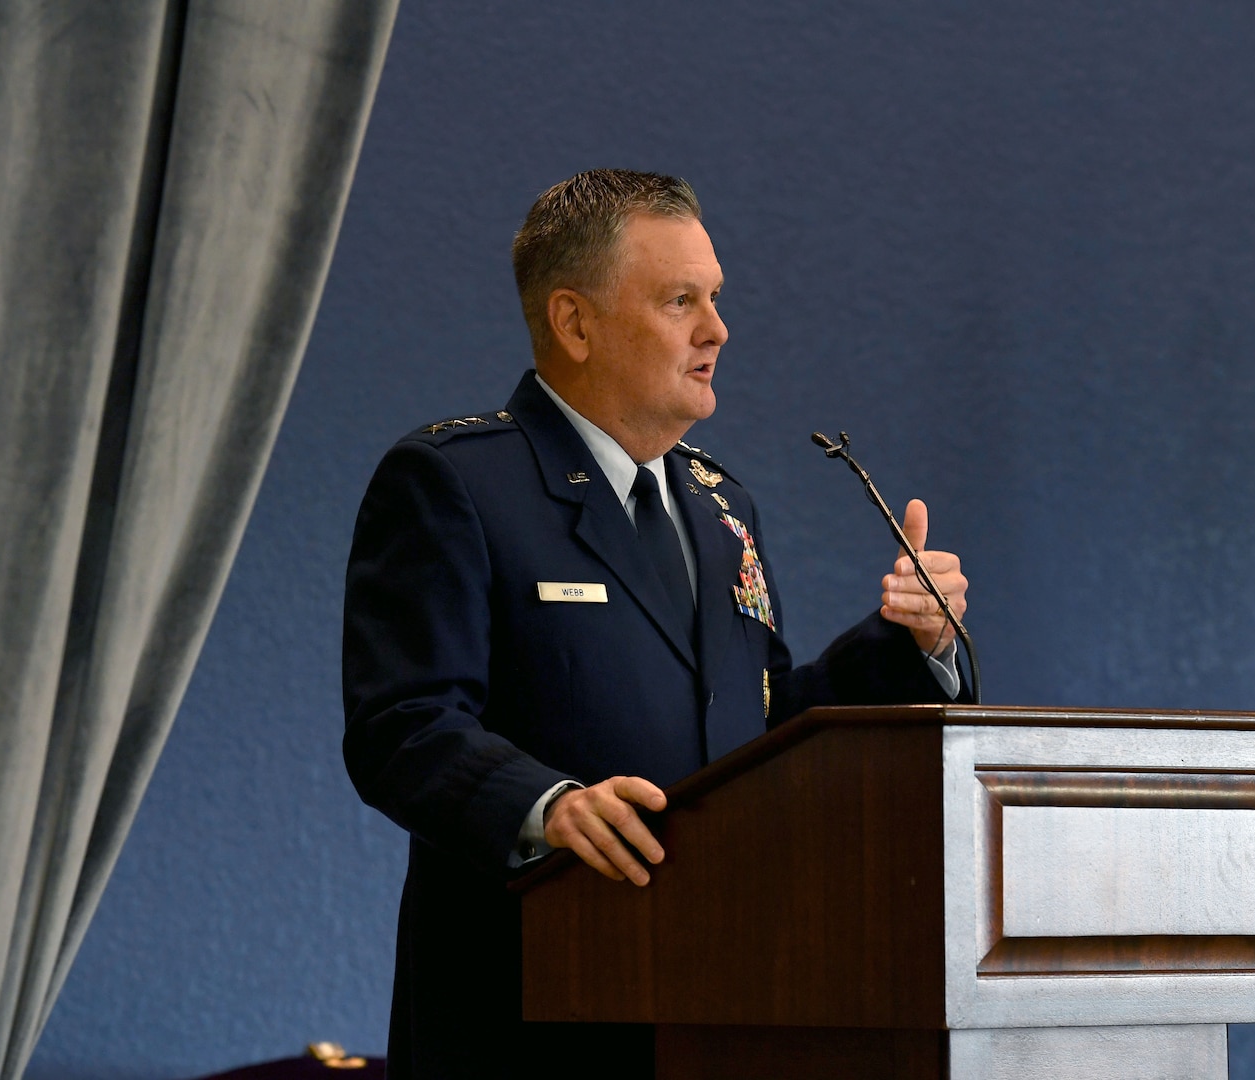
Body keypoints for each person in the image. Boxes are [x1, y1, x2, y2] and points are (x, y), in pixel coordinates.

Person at [342, 169, 969, 1079]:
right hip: (528, 1013)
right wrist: (549, 807)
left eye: (713, 299)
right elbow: (402, 727)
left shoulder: (723, 508)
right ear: (574, 322)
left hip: (721, 1007)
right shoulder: (457, 483)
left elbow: (756, 730)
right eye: (681, 301)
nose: (717, 331)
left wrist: (914, 644)